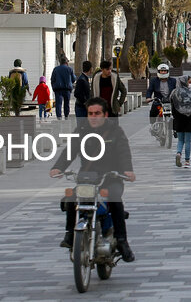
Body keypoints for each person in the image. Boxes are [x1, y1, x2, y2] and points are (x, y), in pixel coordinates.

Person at [50, 97, 136, 262]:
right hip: (88, 177)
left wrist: (127, 170)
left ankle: (122, 241)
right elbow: (70, 149)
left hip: (111, 177)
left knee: (115, 199)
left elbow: (124, 152)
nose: (94, 117)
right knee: (71, 197)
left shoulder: (115, 131)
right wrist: (58, 167)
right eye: (90, 113)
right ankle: (69, 234)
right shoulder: (81, 130)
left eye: (97, 113)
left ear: (105, 114)